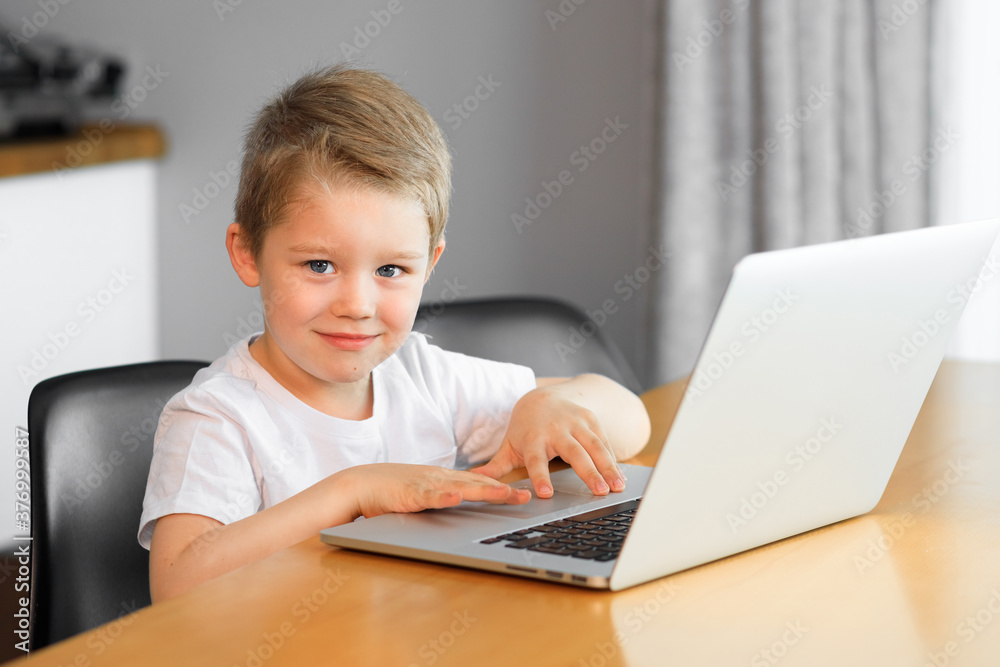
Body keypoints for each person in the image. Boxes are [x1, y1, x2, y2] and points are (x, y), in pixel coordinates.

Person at [139, 65, 651, 602]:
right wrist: (354, 490)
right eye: (319, 265)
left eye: (390, 271)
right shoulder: (217, 417)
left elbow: (631, 422)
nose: (357, 306)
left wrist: (552, 403)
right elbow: (178, 586)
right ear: (248, 254)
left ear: (429, 265)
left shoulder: (421, 375)